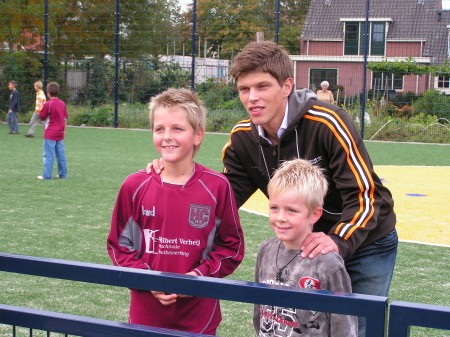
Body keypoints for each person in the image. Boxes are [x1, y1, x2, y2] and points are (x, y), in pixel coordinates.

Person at [148, 41, 397, 337]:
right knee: (303, 327)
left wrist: (338, 241)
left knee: (358, 327)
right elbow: (220, 198)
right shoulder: (242, 138)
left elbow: (367, 196)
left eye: (262, 87)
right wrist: (175, 174)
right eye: (244, 89)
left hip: (365, 240)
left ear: (286, 85)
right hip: (302, 242)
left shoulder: (328, 122)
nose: (252, 98)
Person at [107, 88, 244, 334]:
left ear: (198, 135)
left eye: (177, 129)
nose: (167, 136)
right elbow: (119, 246)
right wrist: (147, 280)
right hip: (146, 315)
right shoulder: (134, 185)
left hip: (199, 317)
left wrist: (198, 277)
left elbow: (231, 248)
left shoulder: (217, 186)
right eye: (160, 129)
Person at [254, 158, 357, 337]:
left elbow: (344, 324)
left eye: (291, 210)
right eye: (274, 208)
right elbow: (259, 307)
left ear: (314, 214)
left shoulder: (328, 262)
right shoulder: (265, 250)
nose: (280, 217)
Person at [38, 82, 68, 180]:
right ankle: (62, 174)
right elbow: (65, 118)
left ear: (48, 93)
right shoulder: (62, 103)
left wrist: (41, 107)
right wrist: (64, 131)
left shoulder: (48, 104)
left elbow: (42, 117)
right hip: (60, 133)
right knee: (61, 155)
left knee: (48, 155)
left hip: (50, 133)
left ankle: (47, 175)